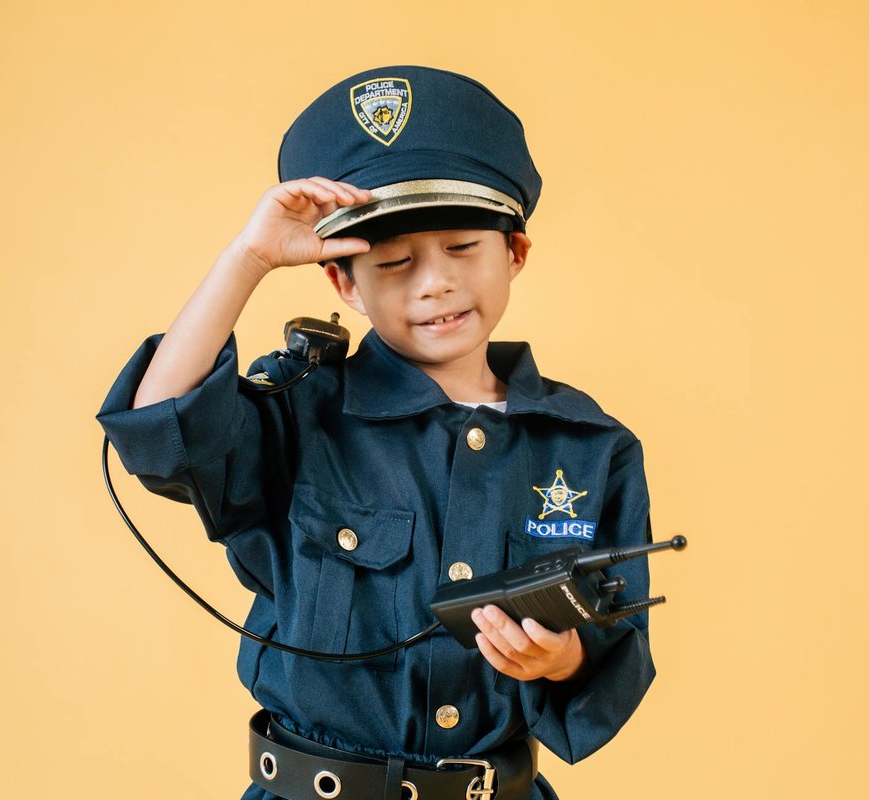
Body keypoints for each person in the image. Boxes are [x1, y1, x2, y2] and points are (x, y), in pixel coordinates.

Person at [97, 65, 656, 800]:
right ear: (344, 285)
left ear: (515, 253)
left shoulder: (589, 447)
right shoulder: (300, 413)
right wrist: (249, 259)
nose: (434, 283)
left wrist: (558, 660)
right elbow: (158, 430)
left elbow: (616, 645)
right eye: (392, 263)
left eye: (462, 248)